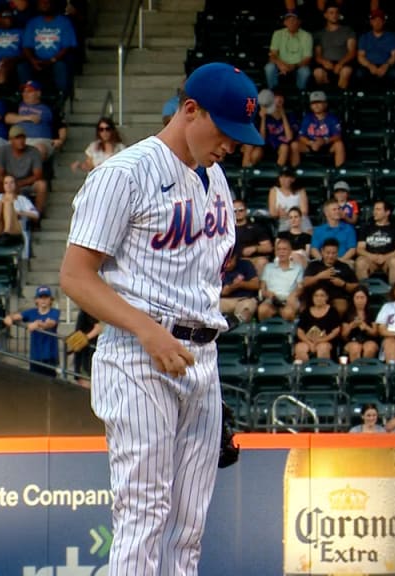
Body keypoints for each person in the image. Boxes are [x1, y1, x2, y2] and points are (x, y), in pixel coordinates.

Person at [58, 62, 264, 575]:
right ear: (189, 110)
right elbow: (77, 277)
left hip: (200, 357)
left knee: (188, 525)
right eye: (226, 132)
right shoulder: (123, 174)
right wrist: (149, 332)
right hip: (138, 354)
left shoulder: (215, 177)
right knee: (143, 515)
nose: (231, 147)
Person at [19, 0, 77, 96]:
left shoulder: (64, 22)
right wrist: (33, 60)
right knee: (22, 67)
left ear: (53, 4)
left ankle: (61, 97)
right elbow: (26, 46)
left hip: (56, 60)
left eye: (47, 2)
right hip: (37, 60)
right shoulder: (32, 22)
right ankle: (26, 96)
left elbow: (67, 47)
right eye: (41, 3)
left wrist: (52, 60)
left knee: (60, 66)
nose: (44, 5)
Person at [3, 285, 60, 376]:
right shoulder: (32, 312)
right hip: (35, 355)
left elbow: (51, 323)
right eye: (41, 297)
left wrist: (38, 324)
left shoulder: (54, 312)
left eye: (46, 297)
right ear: (36, 300)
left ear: (51, 300)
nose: (43, 300)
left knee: (50, 382)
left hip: (50, 354)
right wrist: (9, 318)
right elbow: (17, 316)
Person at [0, 126, 47, 216]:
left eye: (22, 138)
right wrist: (10, 184)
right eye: (17, 138)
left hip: (27, 183)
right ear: (11, 140)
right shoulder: (3, 151)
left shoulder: (33, 151)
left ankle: (37, 215)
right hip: (8, 183)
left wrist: (18, 184)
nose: (21, 141)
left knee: (42, 185)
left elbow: (38, 175)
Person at [303, 238, 359, 316]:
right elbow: (305, 283)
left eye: (334, 253)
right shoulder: (314, 265)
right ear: (322, 251)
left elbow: (356, 286)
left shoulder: (344, 266)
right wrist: (319, 276)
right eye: (328, 253)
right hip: (316, 296)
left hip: (337, 297)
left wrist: (343, 284)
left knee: (341, 307)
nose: (330, 256)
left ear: (337, 253)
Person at [356, 199, 395, 286]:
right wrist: (372, 256)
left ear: (387, 212)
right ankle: (364, 293)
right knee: (360, 262)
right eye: (374, 209)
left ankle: (393, 294)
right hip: (371, 259)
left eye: (378, 209)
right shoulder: (366, 227)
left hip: (389, 259)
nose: (374, 212)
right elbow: (360, 249)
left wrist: (385, 257)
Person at [292, 91, 346, 167]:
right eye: (313, 103)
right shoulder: (307, 118)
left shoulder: (332, 118)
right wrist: (311, 143)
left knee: (339, 144)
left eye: (319, 102)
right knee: (294, 145)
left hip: (327, 145)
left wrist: (325, 141)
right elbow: (301, 136)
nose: (316, 105)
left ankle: (340, 172)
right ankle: (294, 172)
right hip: (311, 145)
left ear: (325, 104)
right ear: (310, 106)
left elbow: (338, 136)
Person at [258, 238, 304, 322]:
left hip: (289, 299)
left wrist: (294, 294)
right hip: (272, 299)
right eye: (278, 249)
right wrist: (267, 293)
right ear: (275, 252)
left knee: (288, 312)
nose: (281, 252)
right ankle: (265, 334)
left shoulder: (298, 268)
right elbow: (262, 288)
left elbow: (300, 287)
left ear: (290, 251)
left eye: (284, 249)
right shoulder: (268, 267)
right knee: (262, 309)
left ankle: (288, 334)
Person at [311, 4, 356, 90]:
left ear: (339, 15)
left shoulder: (348, 30)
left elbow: (352, 52)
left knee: (346, 71)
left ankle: (341, 97)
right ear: (325, 15)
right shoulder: (319, 34)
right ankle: (326, 96)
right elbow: (318, 55)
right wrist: (324, 62)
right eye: (331, 13)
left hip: (343, 62)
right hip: (326, 63)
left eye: (336, 13)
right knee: (318, 72)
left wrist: (340, 64)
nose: (334, 15)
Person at [265, 11, 313, 91]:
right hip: (281, 66)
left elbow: (307, 58)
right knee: (269, 67)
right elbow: (273, 55)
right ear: (285, 22)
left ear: (299, 22)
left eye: (294, 20)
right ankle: (273, 92)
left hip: (298, 66)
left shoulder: (306, 35)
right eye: (288, 20)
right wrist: (281, 65)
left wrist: (293, 66)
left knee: (305, 72)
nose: (291, 22)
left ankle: (301, 94)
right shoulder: (278, 33)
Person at [355, 9, 395, 91]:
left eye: (380, 20)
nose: (377, 23)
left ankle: (390, 100)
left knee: (394, 74)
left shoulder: (391, 36)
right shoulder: (364, 37)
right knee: (359, 74)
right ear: (371, 22)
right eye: (374, 20)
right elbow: (360, 56)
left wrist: (386, 65)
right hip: (369, 65)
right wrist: (370, 66)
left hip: (385, 65)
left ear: (384, 22)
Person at [294, 287, 341, 362]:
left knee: (323, 347)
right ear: (312, 298)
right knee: (300, 348)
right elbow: (300, 331)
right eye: (316, 295)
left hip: (326, 341)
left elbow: (336, 330)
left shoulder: (332, 311)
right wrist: (309, 343)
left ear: (326, 297)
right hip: (308, 340)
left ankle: (322, 372)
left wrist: (321, 340)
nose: (319, 298)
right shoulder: (306, 311)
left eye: (322, 295)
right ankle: (304, 371)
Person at [219, 250, 259, 326]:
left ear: (235, 257)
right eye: (225, 261)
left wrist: (240, 284)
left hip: (245, 299)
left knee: (246, 309)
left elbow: (256, 285)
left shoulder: (245, 264)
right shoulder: (217, 268)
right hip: (226, 300)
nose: (227, 265)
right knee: (213, 307)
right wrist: (228, 289)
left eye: (230, 261)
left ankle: (236, 328)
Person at [268, 168, 312, 233]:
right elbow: (272, 212)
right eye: (281, 177)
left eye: (286, 177)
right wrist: (280, 214)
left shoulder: (300, 191)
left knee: (305, 221)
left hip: (299, 218)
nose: (282, 180)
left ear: (292, 179)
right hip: (283, 219)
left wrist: (290, 215)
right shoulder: (274, 190)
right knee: (285, 224)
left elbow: (304, 211)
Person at [342, 286, 379, 361]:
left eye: (362, 297)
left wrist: (366, 327)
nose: (360, 300)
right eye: (357, 297)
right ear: (353, 299)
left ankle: (365, 371)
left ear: (367, 299)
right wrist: (351, 326)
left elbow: (375, 333)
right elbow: (343, 335)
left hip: (369, 340)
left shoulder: (371, 313)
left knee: (369, 349)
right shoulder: (347, 313)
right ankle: (356, 371)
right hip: (352, 341)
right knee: (355, 348)